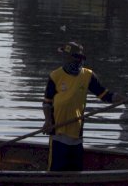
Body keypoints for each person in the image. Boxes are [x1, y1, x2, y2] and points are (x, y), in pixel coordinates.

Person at [42, 41, 119, 171]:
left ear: (76, 58)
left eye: (67, 56)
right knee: (55, 171)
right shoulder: (55, 76)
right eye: (64, 56)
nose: (64, 58)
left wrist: (126, 100)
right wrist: (48, 121)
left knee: (75, 171)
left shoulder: (87, 75)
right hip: (58, 133)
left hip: (76, 134)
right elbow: (47, 102)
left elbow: (105, 95)